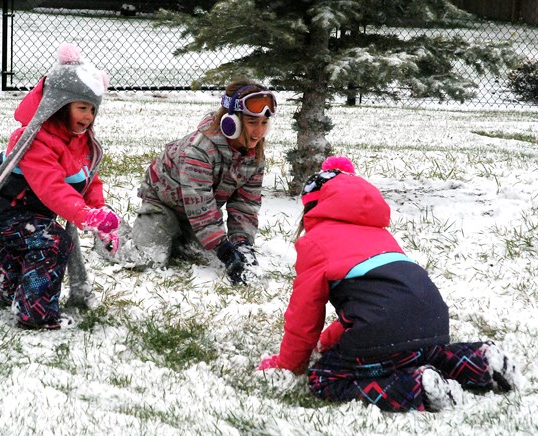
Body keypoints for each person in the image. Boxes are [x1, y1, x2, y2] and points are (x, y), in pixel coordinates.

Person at [257, 156, 523, 412]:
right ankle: (480, 361)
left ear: (311, 208)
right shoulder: (380, 234)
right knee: (419, 353)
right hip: (432, 321)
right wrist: (330, 339)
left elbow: (304, 317)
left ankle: (415, 387)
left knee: (324, 378)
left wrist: (289, 365)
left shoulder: (315, 243)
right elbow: (378, 301)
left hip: (384, 328)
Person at [0, 43, 120, 330]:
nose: (89, 117)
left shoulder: (80, 140)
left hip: (33, 217)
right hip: (7, 215)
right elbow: (51, 188)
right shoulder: (33, 140)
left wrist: (100, 217)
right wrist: (85, 216)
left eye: (93, 109)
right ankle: (36, 315)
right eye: (82, 107)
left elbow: (88, 180)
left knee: (15, 281)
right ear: (58, 104)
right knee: (54, 242)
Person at [113, 78, 277, 285]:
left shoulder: (254, 156)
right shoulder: (199, 150)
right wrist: (225, 250)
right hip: (164, 204)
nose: (259, 131)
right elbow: (200, 207)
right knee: (146, 260)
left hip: (197, 213)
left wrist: (242, 245)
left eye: (264, 123)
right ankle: (110, 232)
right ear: (231, 122)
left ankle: (179, 237)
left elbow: (245, 206)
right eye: (252, 122)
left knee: (202, 255)